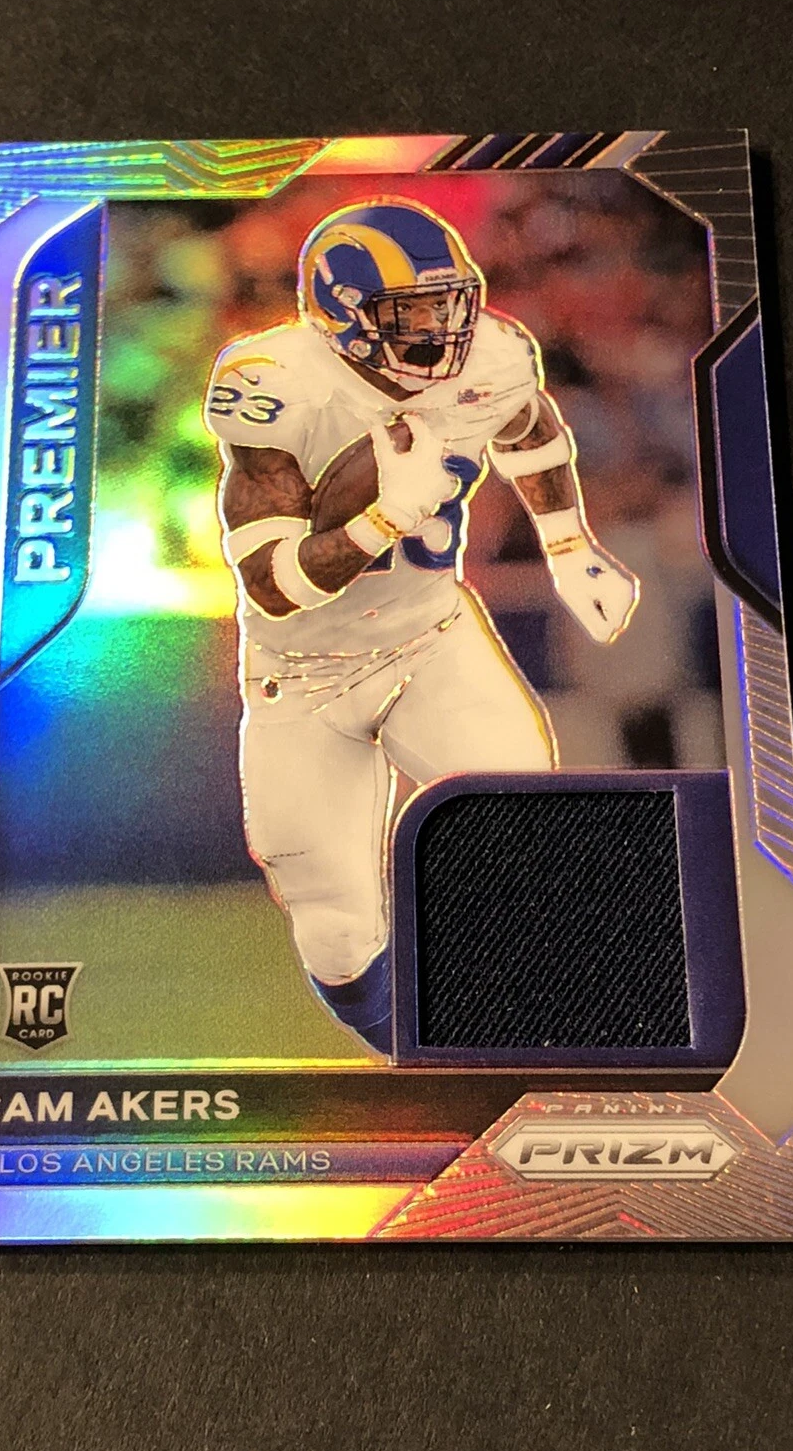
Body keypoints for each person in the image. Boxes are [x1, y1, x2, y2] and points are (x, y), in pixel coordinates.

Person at [203, 200, 637, 1056]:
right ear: (344, 315)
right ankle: (418, 1053)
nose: (441, 330)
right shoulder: (277, 386)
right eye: (412, 313)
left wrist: (569, 546)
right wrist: (384, 520)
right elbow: (273, 588)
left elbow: (529, 427)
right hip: (304, 673)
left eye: (449, 304)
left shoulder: (494, 354)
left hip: (429, 637)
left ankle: (541, 1025)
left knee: (524, 823)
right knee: (333, 925)